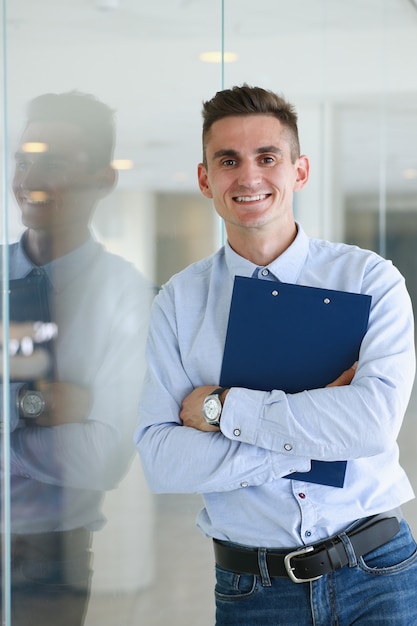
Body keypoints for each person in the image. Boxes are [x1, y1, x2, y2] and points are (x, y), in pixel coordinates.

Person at [135, 84, 417, 625]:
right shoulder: (178, 302)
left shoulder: (369, 280)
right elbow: (162, 459)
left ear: (299, 171)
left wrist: (224, 411)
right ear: (205, 179)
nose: (249, 176)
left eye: (267, 157)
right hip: (254, 590)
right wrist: (316, 435)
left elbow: (373, 426)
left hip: (379, 572)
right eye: (228, 160)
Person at [1, 91, 153, 625]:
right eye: (23, 160)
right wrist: (33, 407)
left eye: (54, 162)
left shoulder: (126, 295)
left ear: (103, 180)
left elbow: (101, 459)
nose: (29, 177)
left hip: (49, 556)